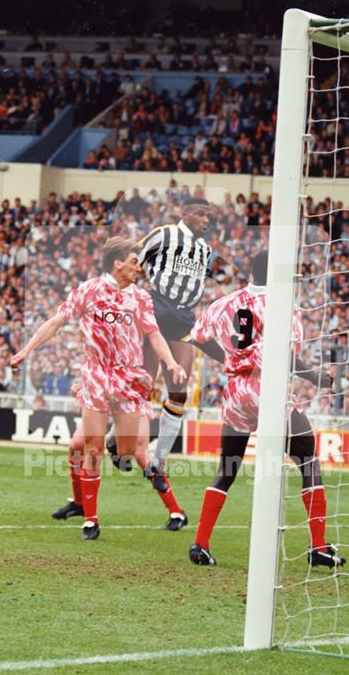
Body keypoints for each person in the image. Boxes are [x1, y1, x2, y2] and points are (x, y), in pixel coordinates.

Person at [12, 237, 189, 540]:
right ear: (118, 262)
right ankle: (90, 520)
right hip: (96, 375)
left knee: (127, 451)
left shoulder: (140, 298)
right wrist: (26, 350)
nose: (139, 267)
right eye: (135, 261)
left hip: (129, 378)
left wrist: (171, 363)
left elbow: (154, 335)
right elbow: (55, 322)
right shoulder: (88, 291)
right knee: (91, 448)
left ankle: (165, 500)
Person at [186, 251, 344, 568]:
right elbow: (284, 355)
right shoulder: (284, 305)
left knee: (227, 470)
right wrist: (315, 376)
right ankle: (319, 546)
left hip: (235, 393)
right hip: (266, 389)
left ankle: (200, 544)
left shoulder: (224, 303)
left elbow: (198, 337)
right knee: (309, 461)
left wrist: (228, 360)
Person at [114, 197, 226, 489]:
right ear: (184, 213)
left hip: (183, 316)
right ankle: (118, 440)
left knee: (179, 389)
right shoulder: (164, 234)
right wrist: (136, 288)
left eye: (209, 216)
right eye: (201, 214)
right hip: (156, 307)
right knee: (143, 383)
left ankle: (158, 460)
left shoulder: (205, 249)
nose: (206, 220)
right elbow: (132, 255)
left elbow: (195, 283)